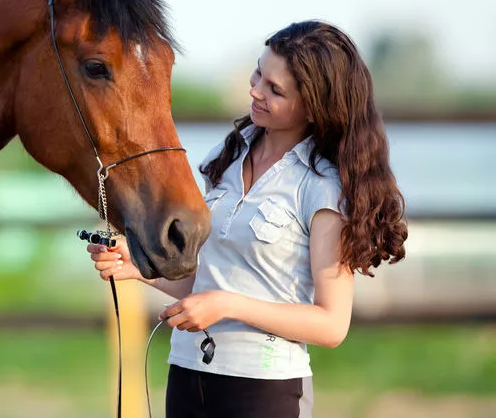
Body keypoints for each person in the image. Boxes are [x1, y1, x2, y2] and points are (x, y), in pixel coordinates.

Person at [87, 20, 407, 417]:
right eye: (259, 72)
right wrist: (138, 266)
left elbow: (331, 324)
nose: (255, 90)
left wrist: (228, 305)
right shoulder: (227, 157)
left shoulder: (322, 188)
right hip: (187, 374)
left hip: (264, 389)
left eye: (275, 90)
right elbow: (206, 280)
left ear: (313, 107)